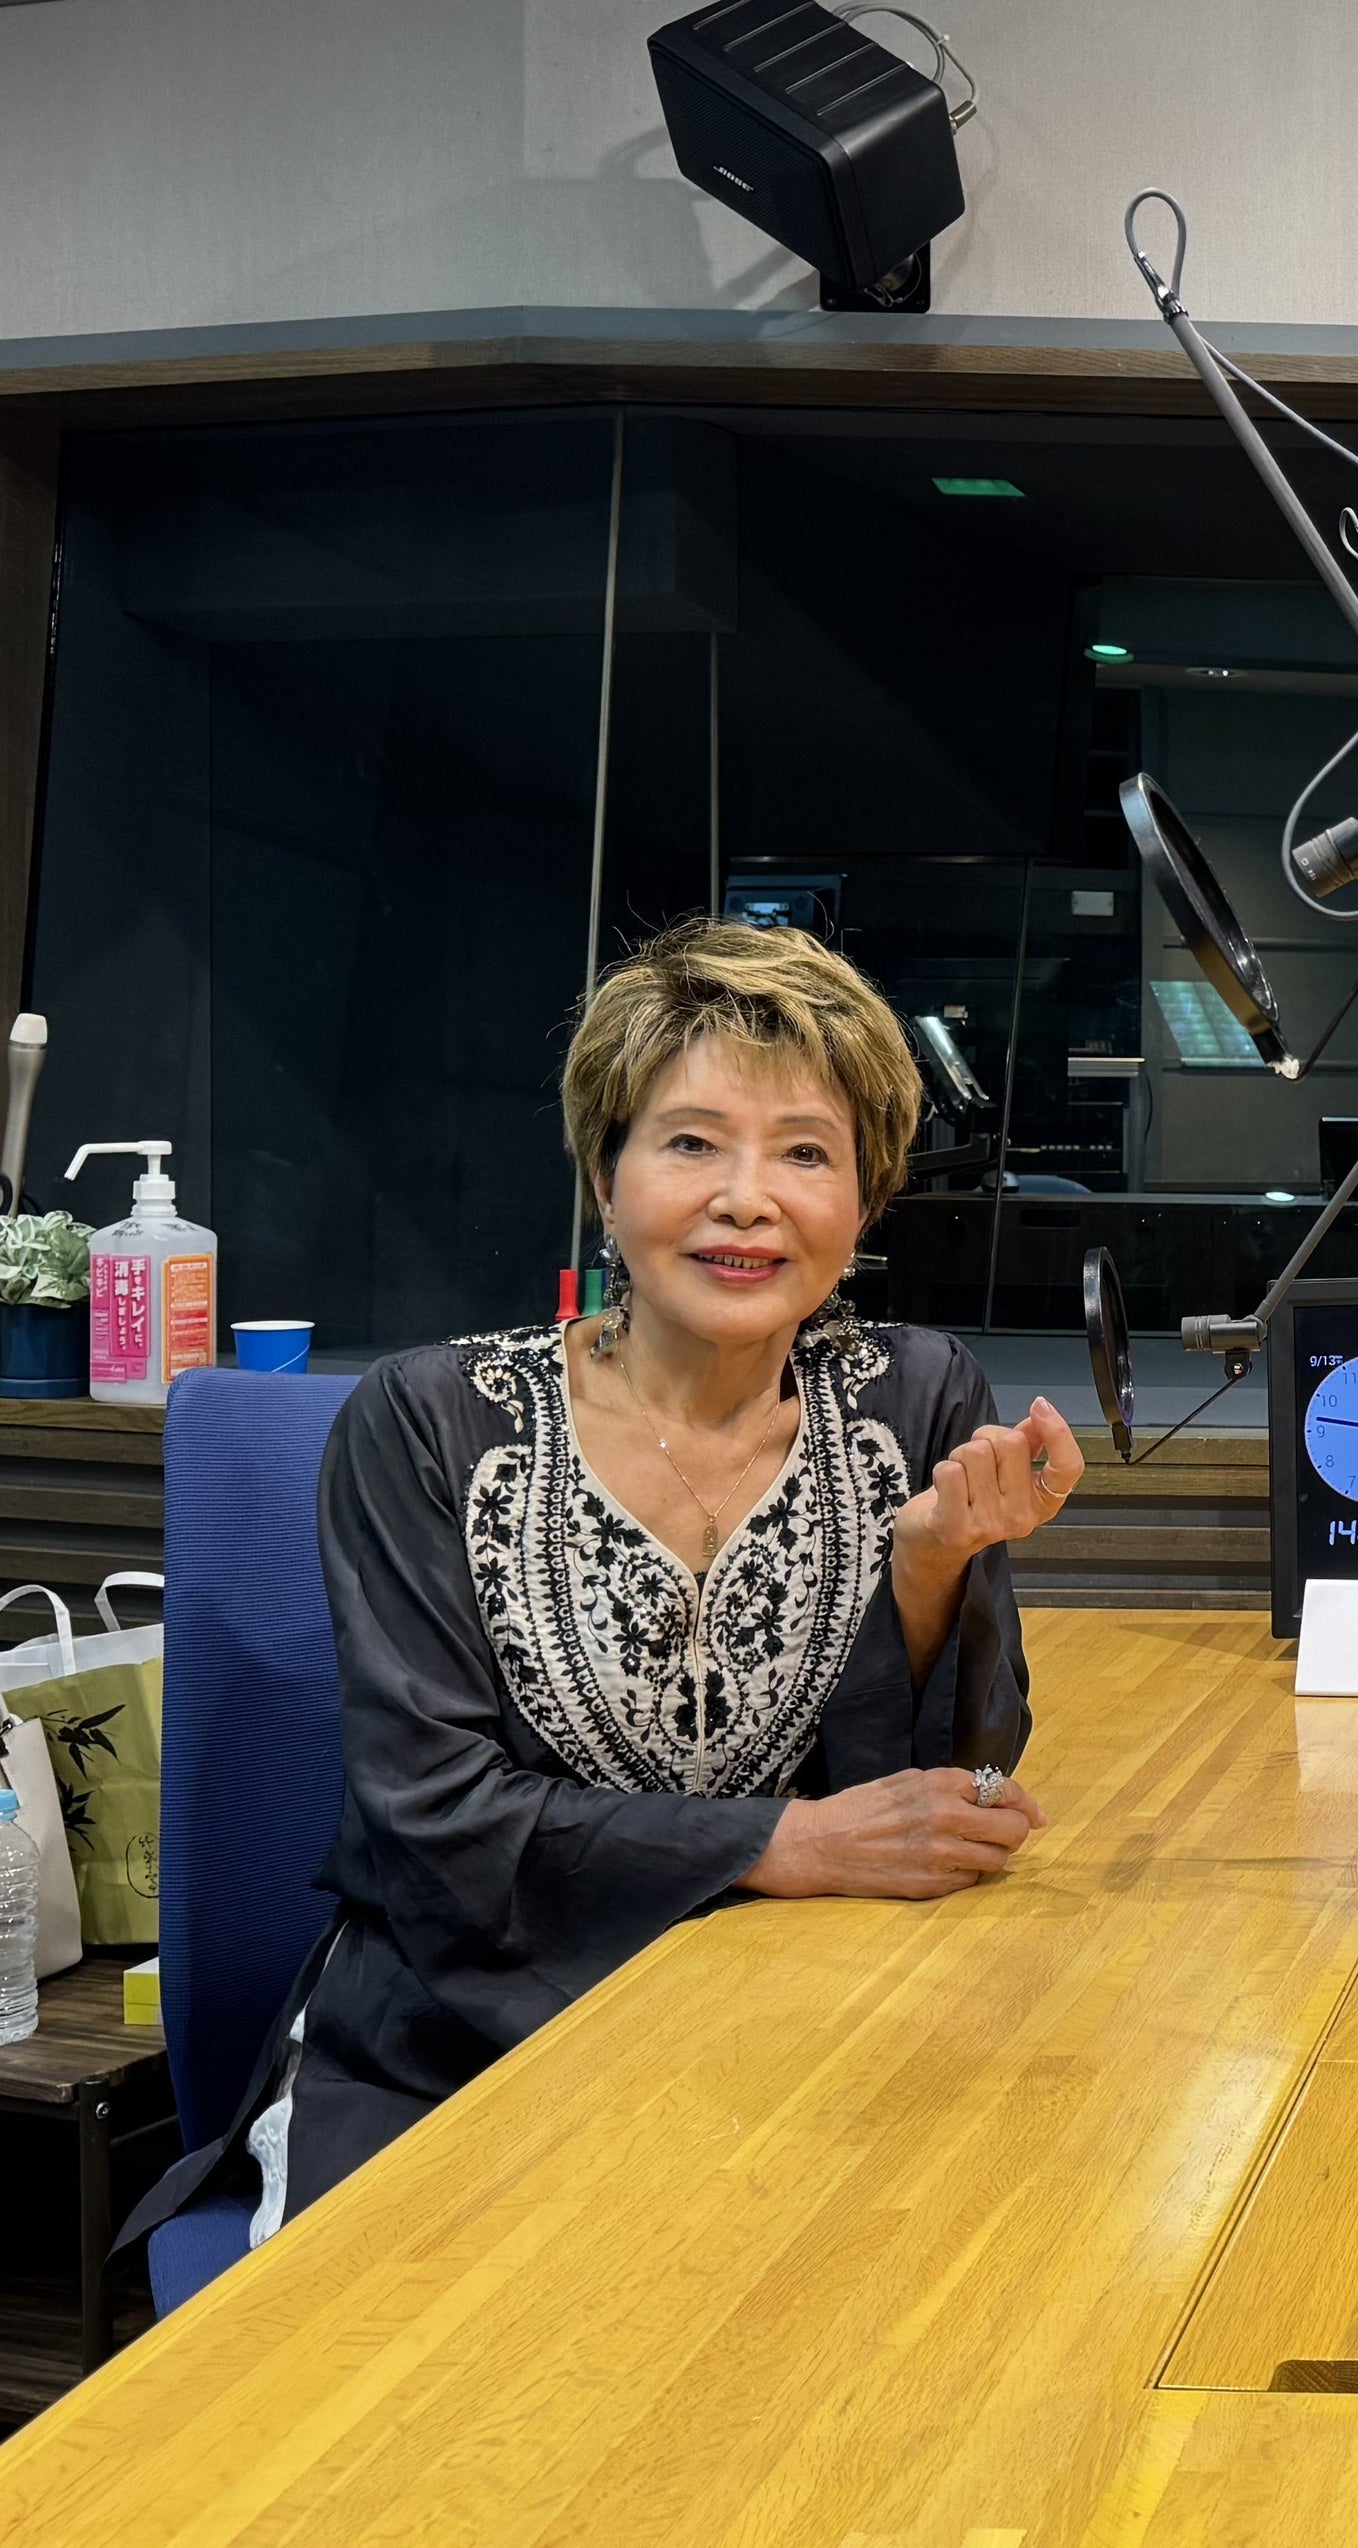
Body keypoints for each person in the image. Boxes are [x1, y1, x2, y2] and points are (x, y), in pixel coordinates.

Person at [128, 917, 1084, 2250]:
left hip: (790, 2035)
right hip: (453, 2054)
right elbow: (436, 1823)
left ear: (864, 1202)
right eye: (691, 1143)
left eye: (805, 1153)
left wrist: (928, 1568)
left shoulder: (914, 1395)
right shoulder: (429, 1422)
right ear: (605, 1174)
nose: (746, 1198)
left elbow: (932, 1815)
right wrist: (784, 1843)